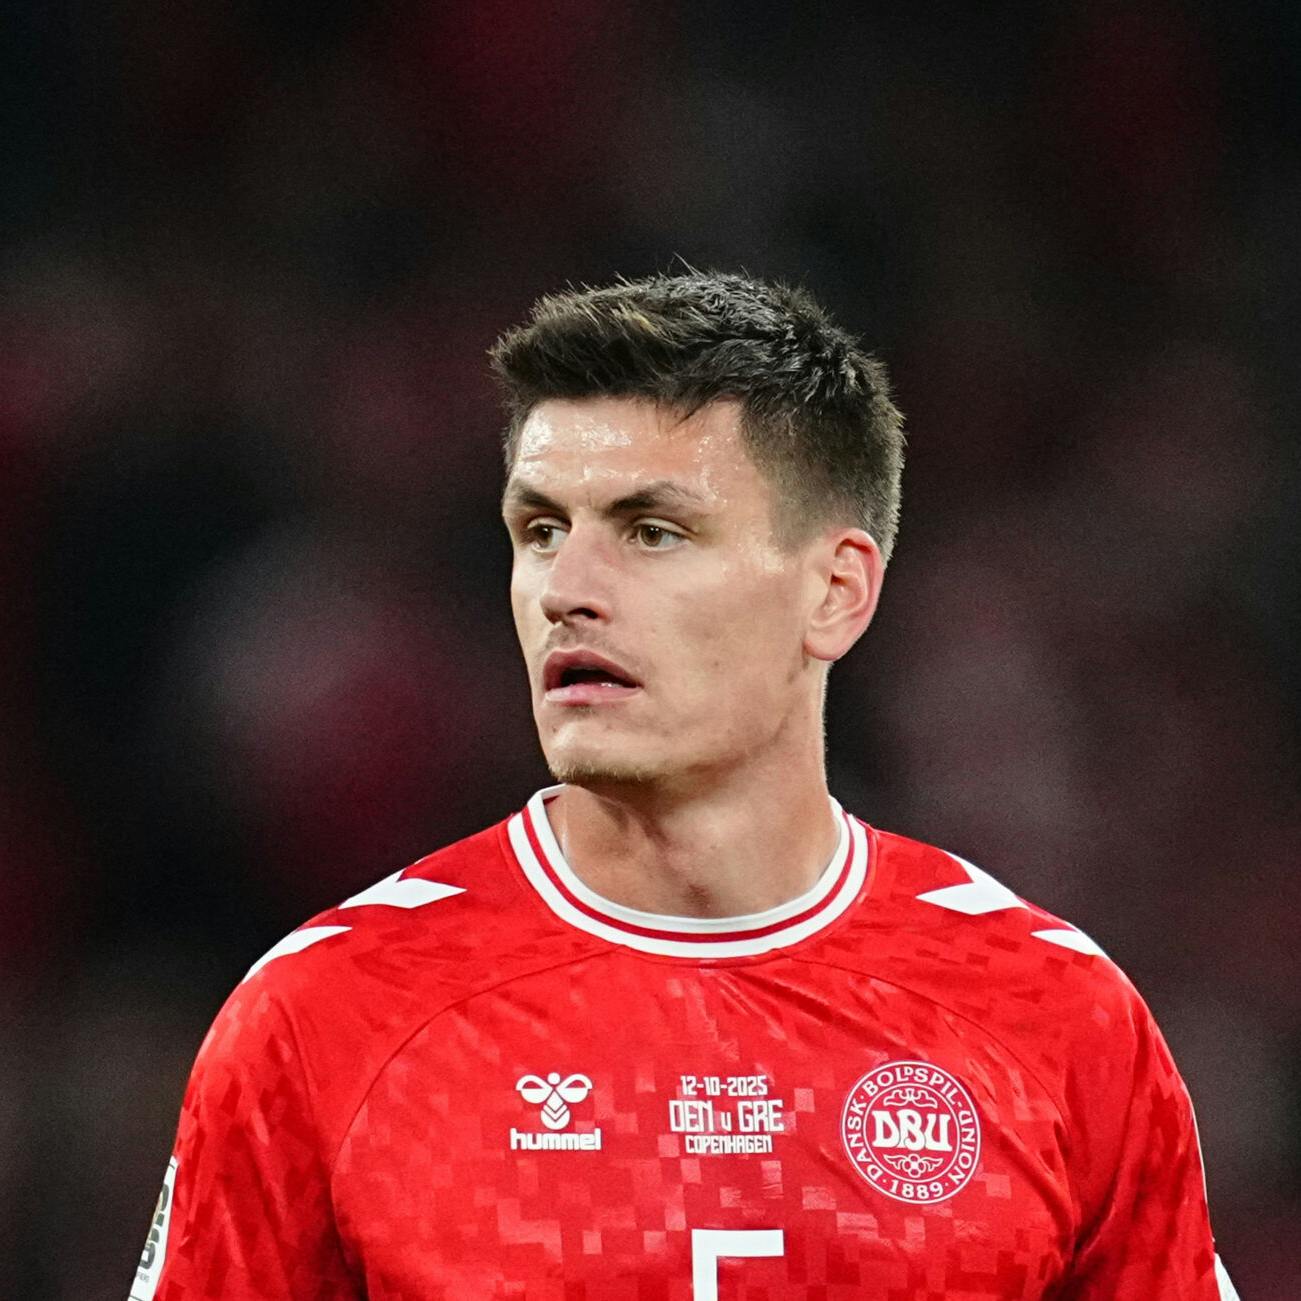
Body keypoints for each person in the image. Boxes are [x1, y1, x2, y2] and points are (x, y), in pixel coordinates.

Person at [131, 270, 1238, 1300]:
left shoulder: (1053, 1018)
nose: (567, 589)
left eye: (653, 532)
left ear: (835, 591)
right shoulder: (325, 1018)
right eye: (540, 530)